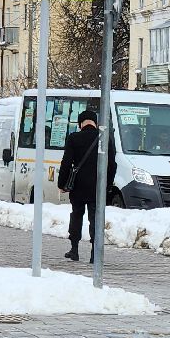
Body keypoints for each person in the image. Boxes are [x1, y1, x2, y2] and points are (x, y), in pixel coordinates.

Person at [57, 109, 117, 263]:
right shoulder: (104, 139)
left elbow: (66, 163)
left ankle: (74, 249)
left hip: (78, 186)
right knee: (95, 218)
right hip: (97, 186)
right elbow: (112, 165)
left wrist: (62, 183)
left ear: (80, 123)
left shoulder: (74, 138)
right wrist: (108, 185)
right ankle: (94, 254)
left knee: (76, 215)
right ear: (95, 122)